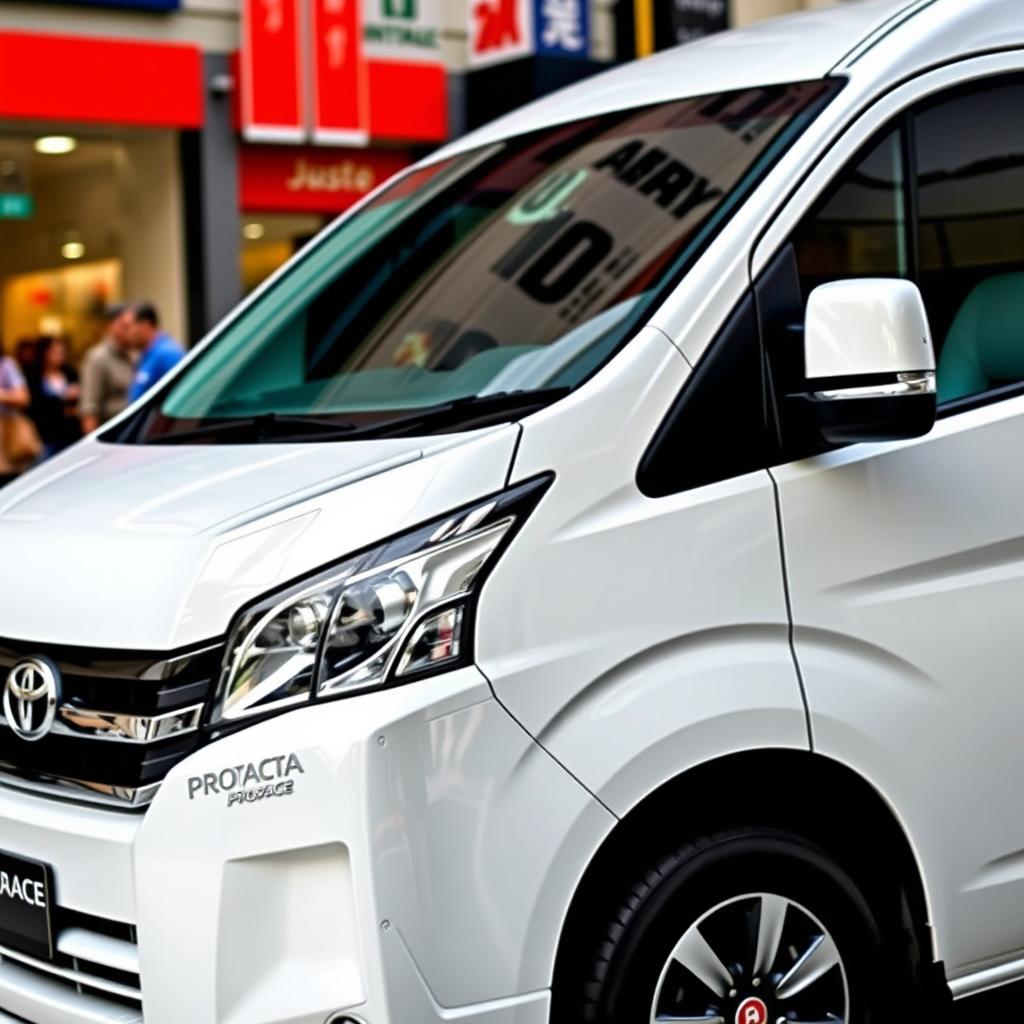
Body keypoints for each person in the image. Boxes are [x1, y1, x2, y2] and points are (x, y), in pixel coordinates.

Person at [80, 304, 136, 434]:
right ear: (110, 327)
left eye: (131, 326)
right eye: (124, 326)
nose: (130, 331)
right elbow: (89, 409)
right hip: (113, 435)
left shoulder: (134, 354)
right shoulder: (98, 358)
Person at [28, 336, 82, 458]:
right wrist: (63, 400)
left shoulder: (70, 373)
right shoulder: (34, 375)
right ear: (44, 353)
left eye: (61, 352)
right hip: (45, 435)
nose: (59, 356)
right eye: (55, 352)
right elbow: (36, 404)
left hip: (71, 433)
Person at [128, 302, 184, 402]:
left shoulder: (168, 354)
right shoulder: (147, 354)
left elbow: (180, 397)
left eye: (129, 327)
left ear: (145, 325)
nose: (128, 333)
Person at [0, 345, 31, 486]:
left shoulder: (6, 365)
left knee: (8, 481)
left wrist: (3, 395)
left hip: (5, 434)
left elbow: (23, 397)